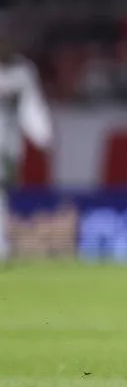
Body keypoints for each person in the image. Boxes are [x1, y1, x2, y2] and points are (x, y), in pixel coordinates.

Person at [0, 29, 53, 262]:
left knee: (2, 194)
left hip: (7, 147)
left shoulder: (21, 72)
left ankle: (2, 245)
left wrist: (43, 137)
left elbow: (32, 107)